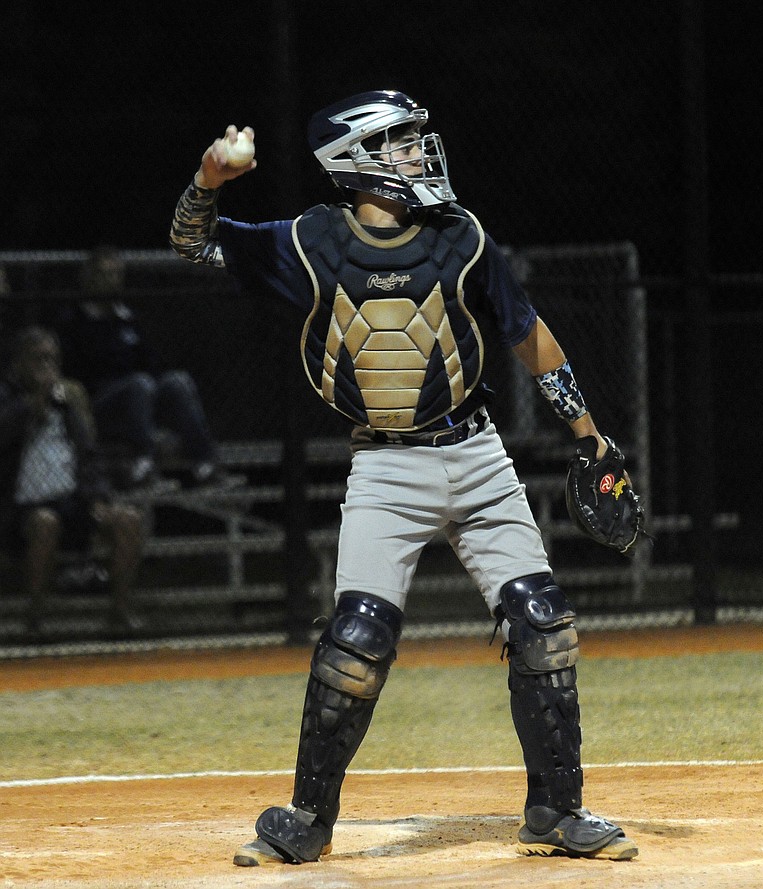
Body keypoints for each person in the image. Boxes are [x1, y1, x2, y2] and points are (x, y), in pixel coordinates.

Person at [169, 90, 640, 864]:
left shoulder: (462, 238)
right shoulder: (310, 242)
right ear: (355, 162)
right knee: (356, 640)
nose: (420, 155)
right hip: (387, 465)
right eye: (401, 143)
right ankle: (307, 819)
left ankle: (557, 810)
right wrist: (210, 177)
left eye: (418, 142)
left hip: (479, 455)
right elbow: (193, 244)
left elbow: (528, 336)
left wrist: (590, 436)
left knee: (544, 624)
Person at [56, 245, 243, 490]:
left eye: (115, 274)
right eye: (103, 274)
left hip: (139, 397)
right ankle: (142, 463)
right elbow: (84, 371)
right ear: (88, 277)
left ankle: (205, 464)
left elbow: (151, 361)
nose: (111, 281)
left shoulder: (126, 317)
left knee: (177, 381)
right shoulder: (75, 321)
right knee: (139, 384)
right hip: (99, 402)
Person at [0, 325, 145, 637]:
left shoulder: (67, 404)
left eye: (53, 360)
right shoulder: (7, 397)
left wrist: (97, 498)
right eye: (39, 359)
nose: (48, 367)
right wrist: (32, 403)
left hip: (72, 500)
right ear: (18, 364)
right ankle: (34, 621)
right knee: (45, 523)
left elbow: (88, 456)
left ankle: (120, 614)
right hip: (22, 508)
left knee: (128, 520)